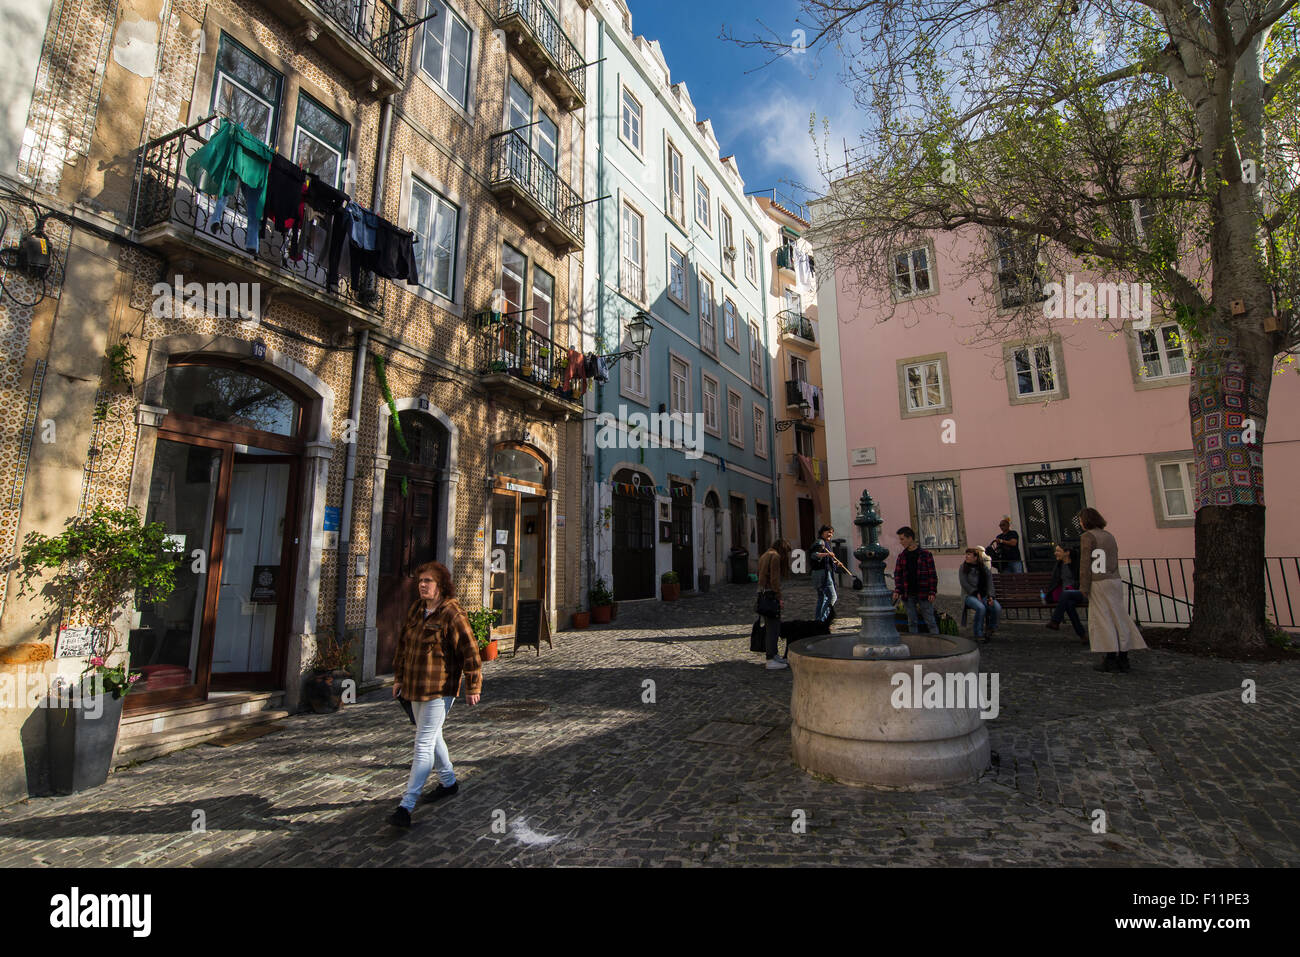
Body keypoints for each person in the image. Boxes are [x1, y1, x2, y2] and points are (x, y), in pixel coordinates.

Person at [389, 560, 482, 827]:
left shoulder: (452, 613)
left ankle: (406, 806)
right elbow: (403, 645)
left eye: (428, 581)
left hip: (439, 690)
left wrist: (473, 685)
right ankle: (449, 782)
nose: (422, 585)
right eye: (420, 581)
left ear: (441, 586)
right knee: (432, 734)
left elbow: (470, 650)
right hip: (414, 687)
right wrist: (398, 678)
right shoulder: (417, 610)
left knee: (423, 744)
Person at [1077, 508, 1147, 673]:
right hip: (1114, 579)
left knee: (1104, 619)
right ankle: (1123, 656)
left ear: (1086, 520)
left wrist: (1084, 586)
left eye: (1080, 520)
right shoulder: (1109, 535)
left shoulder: (1088, 537)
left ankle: (1110, 657)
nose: (1080, 523)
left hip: (1099, 580)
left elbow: (1086, 563)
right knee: (1119, 617)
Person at [892, 526, 938, 634]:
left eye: (902, 539)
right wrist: (898, 590)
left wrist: (932, 591)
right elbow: (898, 574)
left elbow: (932, 574)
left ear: (910, 538)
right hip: (908, 594)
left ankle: (938, 643)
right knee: (912, 621)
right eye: (900, 539)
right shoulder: (902, 556)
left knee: (930, 621)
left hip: (924, 592)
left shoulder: (925, 555)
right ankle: (914, 643)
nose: (900, 542)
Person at [757, 539, 793, 670]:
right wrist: (779, 597)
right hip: (770, 595)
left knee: (770, 627)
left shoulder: (765, 555)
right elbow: (774, 580)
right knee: (774, 628)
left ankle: (774, 655)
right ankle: (770, 658)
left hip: (763, 594)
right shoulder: (775, 557)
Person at [1044, 544, 1087, 640]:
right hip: (1066, 596)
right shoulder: (1059, 566)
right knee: (1069, 605)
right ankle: (1082, 635)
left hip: (1080, 593)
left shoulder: (1077, 565)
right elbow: (1054, 582)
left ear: (1067, 553)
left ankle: (1055, 621)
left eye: (1058, 551)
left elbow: (1083, 581)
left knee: (1065, 594)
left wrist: (1072, 587)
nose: (1055, 553)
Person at [959, 546, 1002, 642]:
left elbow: (989, 583)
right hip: (969, 595)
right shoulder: (963, 568)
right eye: (966, 554)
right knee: (980, 608)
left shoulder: (984, 568)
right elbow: (964, 583)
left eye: (969, 555)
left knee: (997, 607)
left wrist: (991, 596)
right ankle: (978, 632)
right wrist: (975, 592)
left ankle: (991, 628)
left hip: (984, 595)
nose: (966, 556)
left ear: (975, 557)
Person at [811, 525, 838, 623]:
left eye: (832, 532)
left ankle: (818, 620)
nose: (830, 534)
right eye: (829, 532)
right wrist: (827, 554)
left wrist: (834, 562)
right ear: (823, 532)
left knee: (822, 598)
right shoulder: (820, 542)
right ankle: (822, 620)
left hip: (819, 573)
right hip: (823, 574)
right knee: (832, 596)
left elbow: (824, 560)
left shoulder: (825, 543)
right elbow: (814, 555)